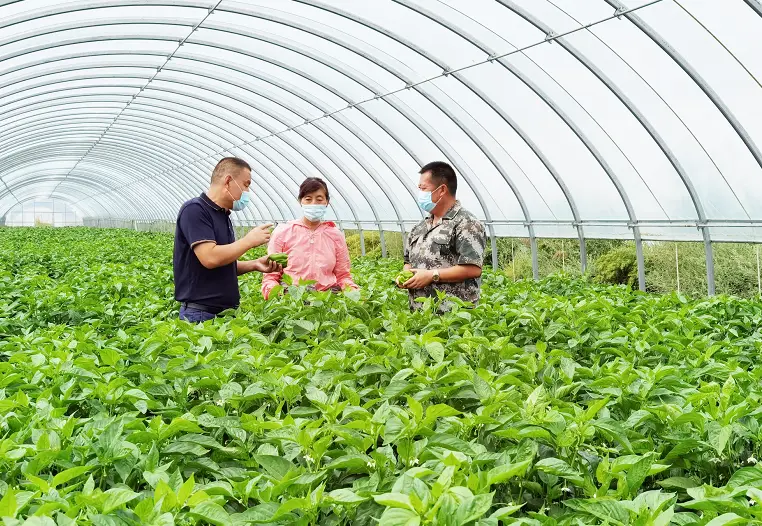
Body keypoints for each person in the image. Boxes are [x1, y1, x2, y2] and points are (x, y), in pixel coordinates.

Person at [173, 157, 282, 322]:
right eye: (246, 185)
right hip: (201, 315)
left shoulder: (223, 216)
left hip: (223, 314)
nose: (247, 192)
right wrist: (248, 241)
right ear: (229, 181)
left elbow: (221, 264)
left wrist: (255, 264)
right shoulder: (195, 210)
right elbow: (210, 258)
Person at [399, 161, 486, 311]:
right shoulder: (419, 227)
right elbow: (407, 261)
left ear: (442, 190)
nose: (420, 194)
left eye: (424, 188)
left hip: (453, 318)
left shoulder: (466, 223)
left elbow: (473, 268)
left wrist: (432, 275)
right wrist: (406, 274)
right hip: (419, 316)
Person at [261, 177, 358, 299]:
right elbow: (271, 276)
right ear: (300, 201)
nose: (314, 204)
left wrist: (354, 293)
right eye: (308, 199)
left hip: (327, 297)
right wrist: (276, 295)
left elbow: (343, 275)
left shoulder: (335, 235)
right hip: (291, 296)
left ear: (327, 202)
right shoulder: (283, 232)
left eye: (319, 199)